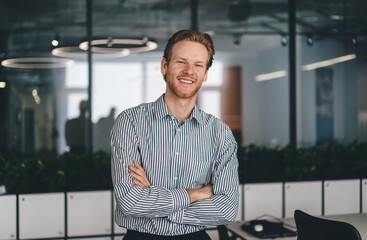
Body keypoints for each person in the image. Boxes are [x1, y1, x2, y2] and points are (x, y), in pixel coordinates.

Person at [111, 30, 239, 240]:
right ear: (165, 66)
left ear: (205, 74)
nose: (189, 71)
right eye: (181, 62)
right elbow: (130, 202)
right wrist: (196, 194)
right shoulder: (130, 122)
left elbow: (226, 209)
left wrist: (154, 199)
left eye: (198, 65)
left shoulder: (220, 133)